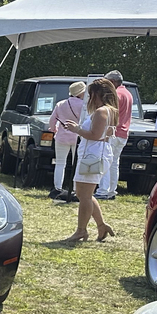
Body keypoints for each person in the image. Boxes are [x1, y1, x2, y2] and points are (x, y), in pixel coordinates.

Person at [61, 79, 117, 241]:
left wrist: (76, 129)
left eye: (91, 94)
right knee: (84, 193)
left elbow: (95, 135)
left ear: (98, 94)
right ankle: (101, 226)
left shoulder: (101, 112)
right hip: (95, 154)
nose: (89, 98)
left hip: (94, 155)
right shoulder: (110, 110)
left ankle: (81, 230)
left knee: (84, 195)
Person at [45, 81, 87, 200]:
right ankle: (75, 189)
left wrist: (54, 129)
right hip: (78, 136)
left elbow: (52, 120)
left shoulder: (61, 104)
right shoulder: (84, 106)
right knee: (77, 164)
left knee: (60, 163)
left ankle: (57, 187)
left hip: (62, 136)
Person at [99, 70, 132, 200]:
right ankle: (112, 190)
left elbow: (109, 114)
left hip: (113, 132)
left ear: (112, 82)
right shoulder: (128, 93)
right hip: (123, 133)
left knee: (105, 161)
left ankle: (103, 190)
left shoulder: (115, 94)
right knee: (114, 163)